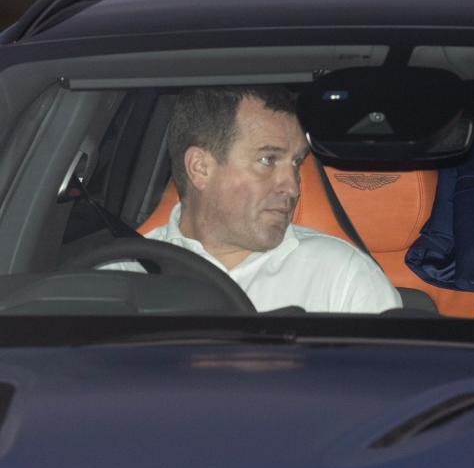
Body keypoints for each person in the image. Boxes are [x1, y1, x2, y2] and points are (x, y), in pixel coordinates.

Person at [110, 86, 401, 314]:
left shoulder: (343, 276)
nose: (293, 187)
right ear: (200, 168)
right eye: (267, 160)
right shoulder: (121, 279)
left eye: (296, 163)